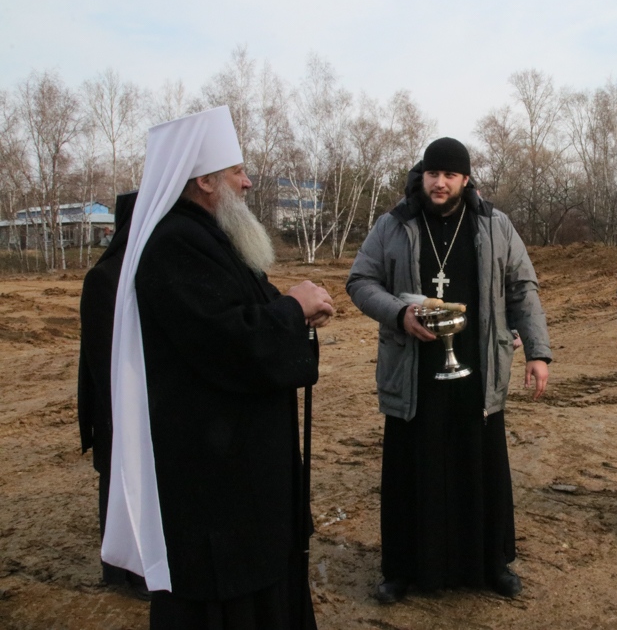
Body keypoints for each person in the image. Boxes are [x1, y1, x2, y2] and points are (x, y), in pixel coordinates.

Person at [102, 106, 334, 629]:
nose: (248, 182)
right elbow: (230, 341)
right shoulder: (174, 243)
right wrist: (292, 309)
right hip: (213, 476)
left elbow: (248, 311)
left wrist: (297, 311)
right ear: (205, 180)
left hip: (241, 463)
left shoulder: (212, 236)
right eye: (238, 171)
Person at [346, 137, 552, 604]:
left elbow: (522, 288)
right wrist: (399, 313)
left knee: (479, 469)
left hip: (477, 371)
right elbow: (360, 280)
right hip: (412, 372)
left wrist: (538, 352)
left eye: (450, 175)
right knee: (411, 472)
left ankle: (490, 565)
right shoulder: (394, 224)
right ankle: (401, 570)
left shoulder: (495, 225)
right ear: (422, 175)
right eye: (433, 173)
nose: (440, 183)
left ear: (465, 179)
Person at [77, 190, 149, 599]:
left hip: (135, 404)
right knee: (121, 484)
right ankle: (123, 572)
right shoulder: (105, 279)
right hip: (117, 406)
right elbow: (103, 357)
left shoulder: (139, 271)